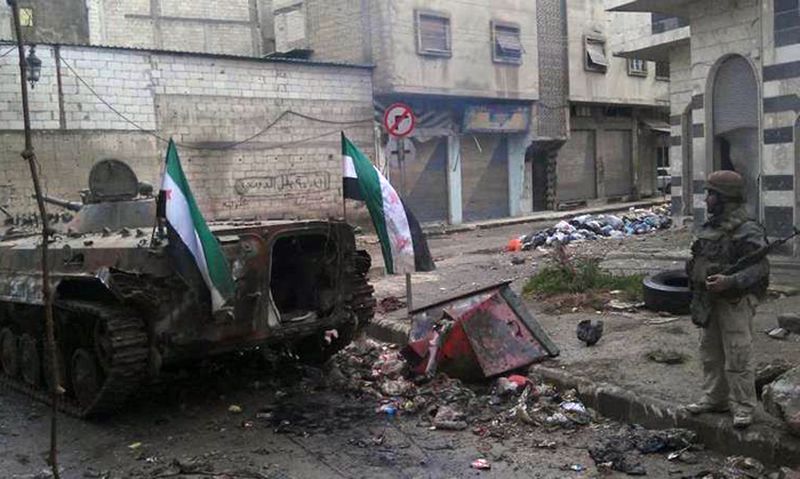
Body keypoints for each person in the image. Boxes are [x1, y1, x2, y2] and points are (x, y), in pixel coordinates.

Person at [685, 170, 769, 429]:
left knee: (737, 354)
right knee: (710, 353)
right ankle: (715, 398)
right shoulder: (710, 227)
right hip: (708, 300)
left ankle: (743, 406)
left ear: (725, 197)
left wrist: (730, 281)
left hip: (734, 301)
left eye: (711, 193)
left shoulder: (747, 229)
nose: (706, 198)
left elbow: (760, 268)